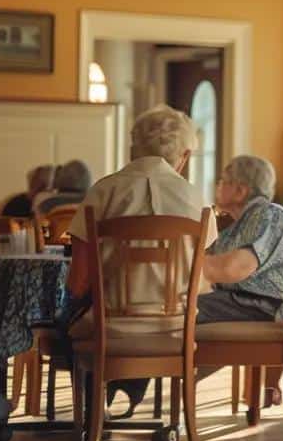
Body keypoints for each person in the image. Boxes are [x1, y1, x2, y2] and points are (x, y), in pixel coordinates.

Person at [62, 105, 208, 415]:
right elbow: (202, 282)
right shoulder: (195, 199)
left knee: (62, 322)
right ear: (184, 156)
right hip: (174, 329)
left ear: (132, 147)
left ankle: (92, 408)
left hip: (108, 328)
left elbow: (78, 282)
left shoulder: (102, 192)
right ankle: (130, 388)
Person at [193, 155, 283, 407]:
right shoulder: (243, 223)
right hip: (246, 303)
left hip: (262, 308)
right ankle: (166, 380)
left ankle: (137, 378)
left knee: (178, 313)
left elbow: (232, 268)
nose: (217, 186)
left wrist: (183, 264)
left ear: (241, 190)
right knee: (179, 310)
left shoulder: (268, 216)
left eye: (222, 181)